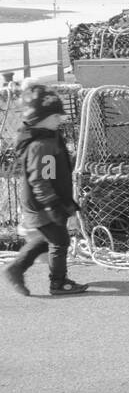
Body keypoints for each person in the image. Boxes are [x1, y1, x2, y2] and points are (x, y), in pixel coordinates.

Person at [3, 84, 89, 296]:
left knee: (50, 238)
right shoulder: (42, 145)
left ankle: (16, 268)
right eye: (55, 116)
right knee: (60, 241)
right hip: (42, 204)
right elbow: (40, 178)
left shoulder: (49, 137)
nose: (60, 119)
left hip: (44, 201)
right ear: (40, 119)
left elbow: (50, 173)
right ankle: (58, 283)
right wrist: (52, 204)